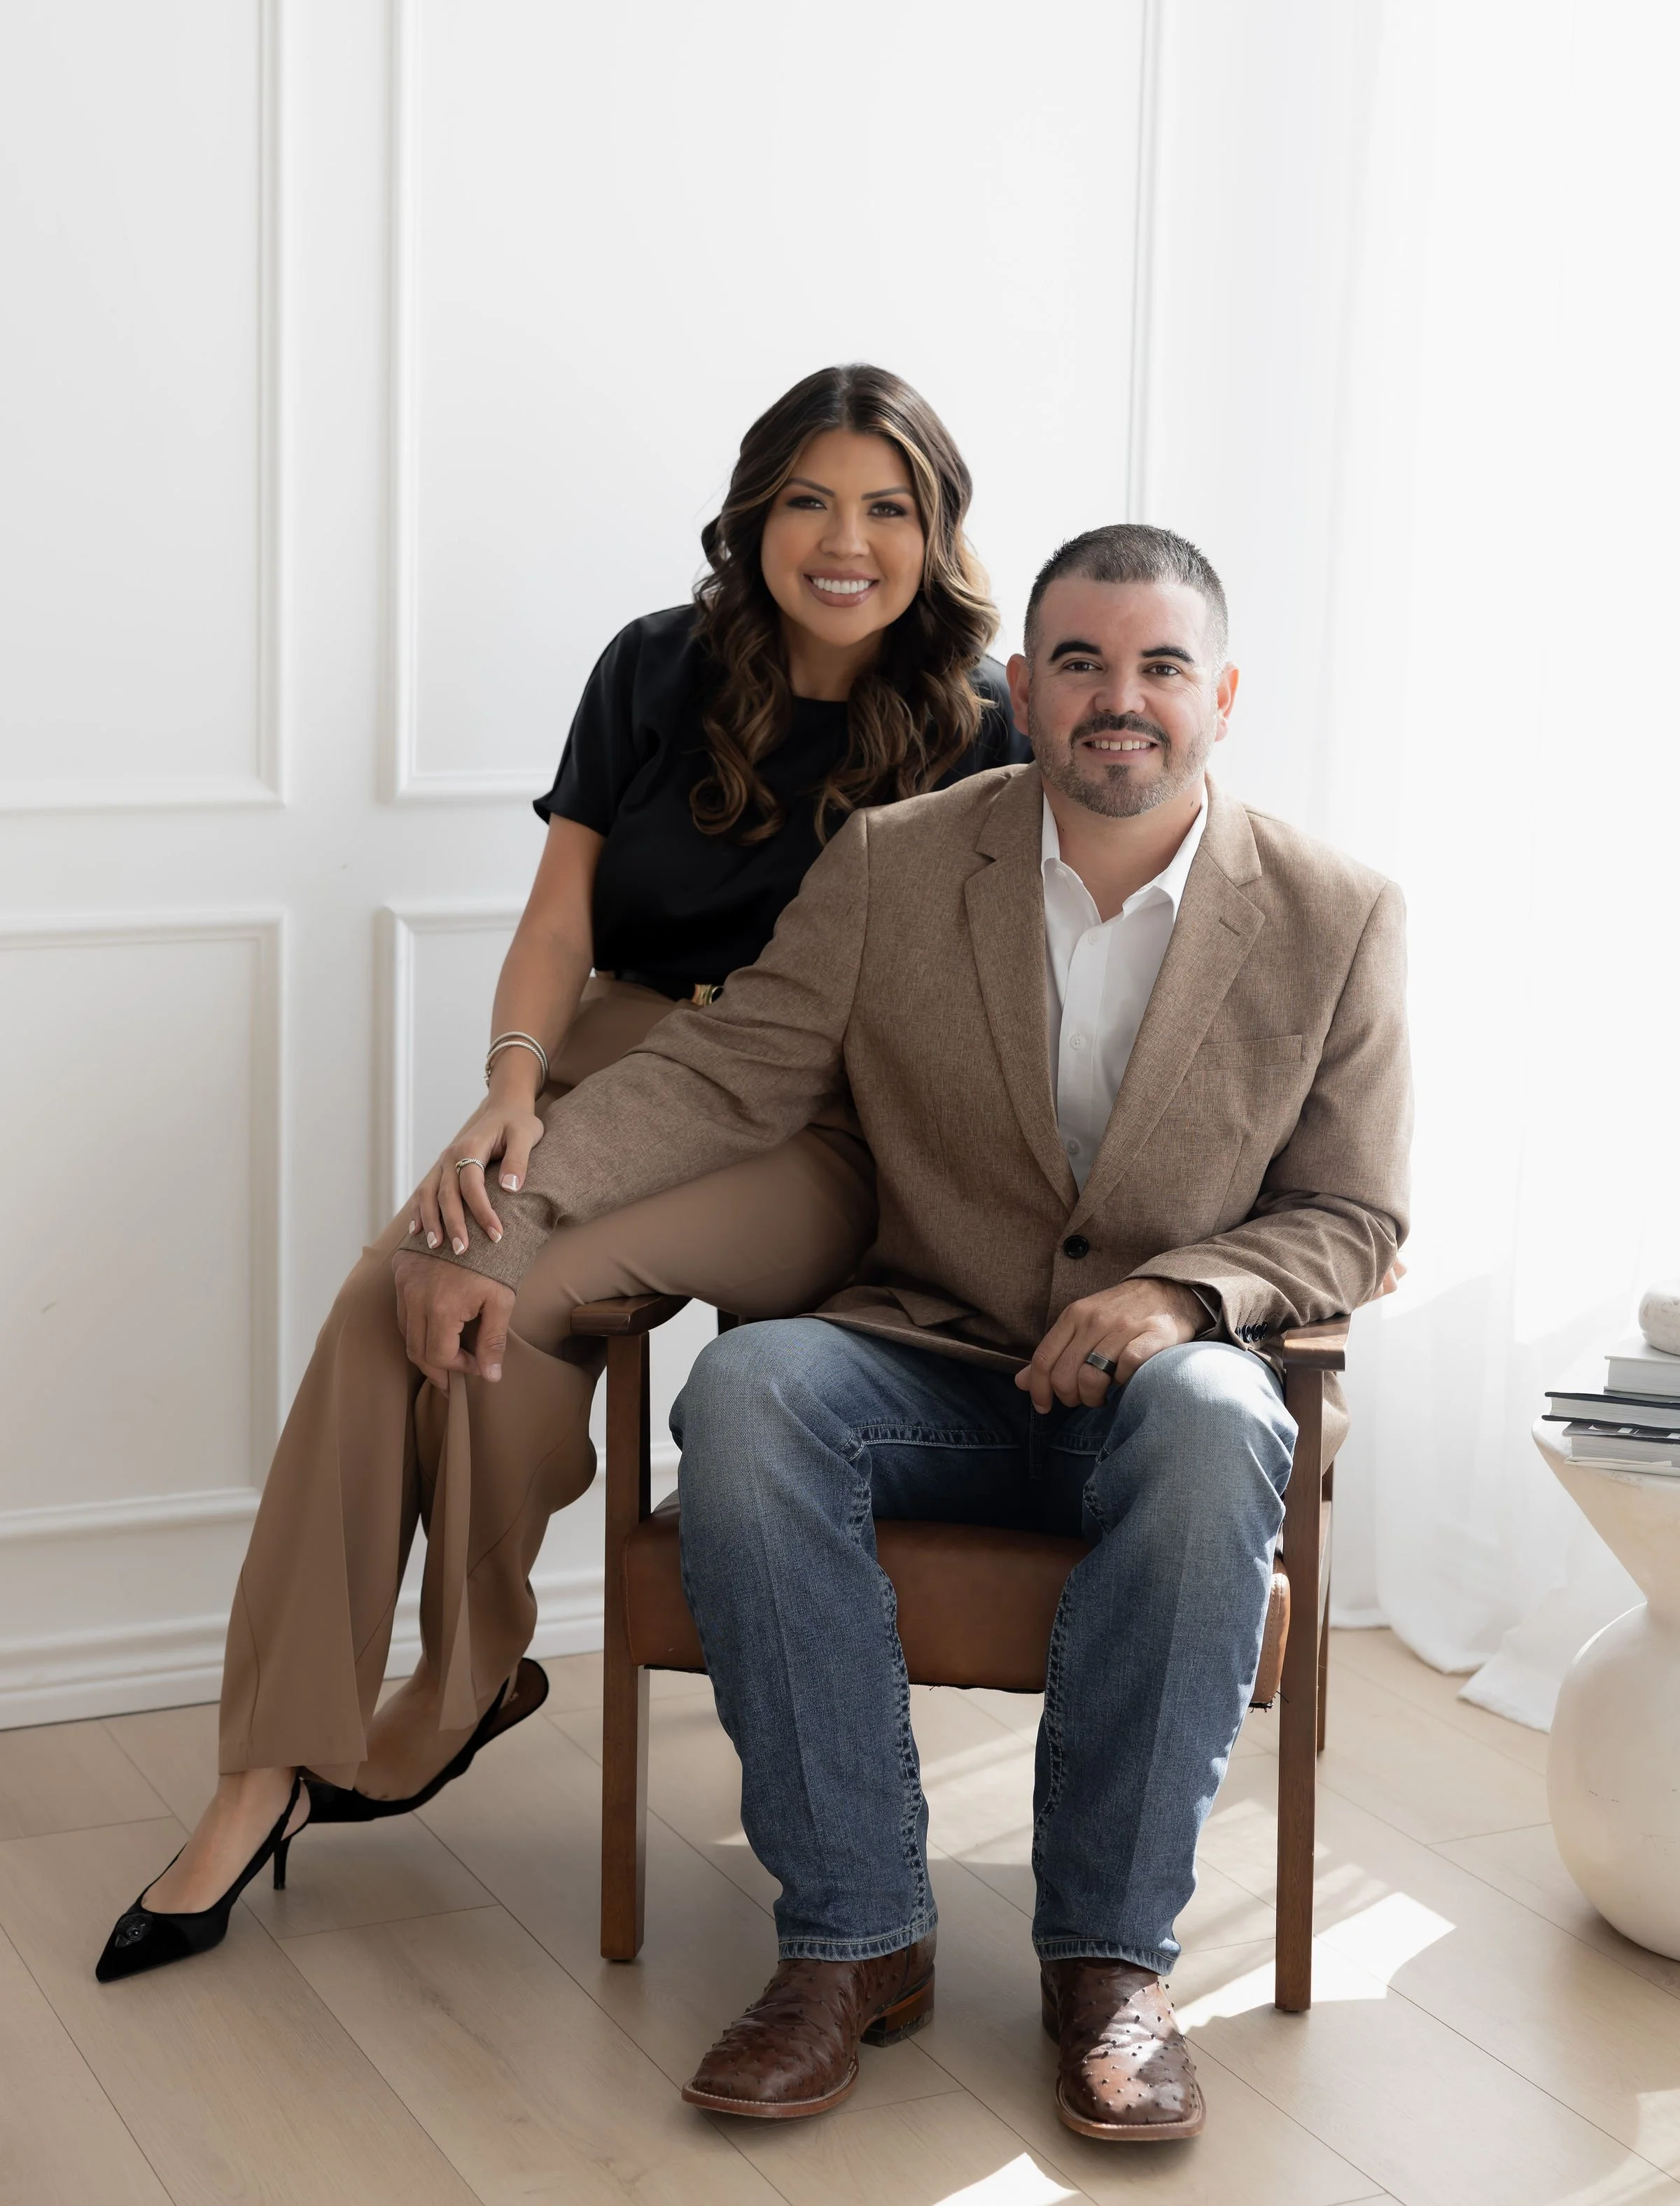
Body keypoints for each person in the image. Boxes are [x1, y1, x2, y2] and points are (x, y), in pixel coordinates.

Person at [357, 522, 1411, 2143]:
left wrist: (1179, 1298)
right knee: (757, 1384)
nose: (1117, 700)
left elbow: (1357, 1215)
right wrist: (504, 1218)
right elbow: (727, 1076)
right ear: (1021, 684)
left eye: (1159, 667)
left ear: (1225, 695)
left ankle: (1111, 1964)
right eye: (1078, 664)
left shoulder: (1338, 915)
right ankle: (854, 1939)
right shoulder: (898, 862)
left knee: (1216, 1419)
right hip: (937, 1364)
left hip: (1168, 1390)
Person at [95, 364, 1028, 1983]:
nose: (845, 539)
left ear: (935, 532)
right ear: (755, 515)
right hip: (611, 1063)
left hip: (822, 1124)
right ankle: (267, 1765)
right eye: (810, 497)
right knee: (400, 1292)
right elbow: (557, 920)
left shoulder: (983, 722)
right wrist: (510, 1090)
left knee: (501, 1286)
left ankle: (454, 1687)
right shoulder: (657, 666)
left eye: (890, 506)